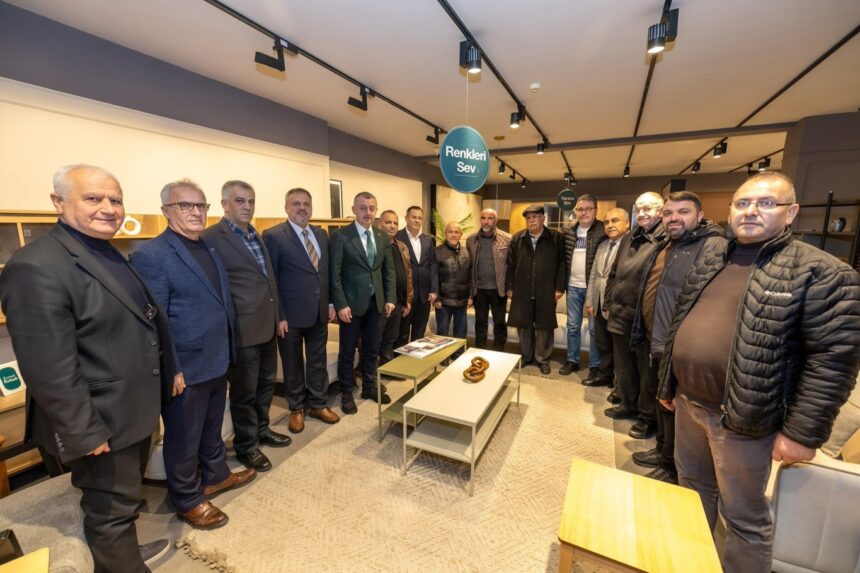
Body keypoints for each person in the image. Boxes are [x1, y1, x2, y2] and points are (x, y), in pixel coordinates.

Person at [658, 172, 859, 572]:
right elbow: (681, 322)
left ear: (791, 213)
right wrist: (669, 382)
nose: (751, 211)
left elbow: (833, 360)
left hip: (746, 421)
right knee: (692, 493)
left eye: (766, 203)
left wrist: (802, 433)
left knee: (744, 518)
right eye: (743, 203)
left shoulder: (822, 272)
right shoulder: (714, 258)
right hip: (689, 404)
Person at [0, 165, 170, 572]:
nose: (108, 208)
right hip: (100, 421)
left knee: (124, 501)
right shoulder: (36, 266)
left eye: (115, 199)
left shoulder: (106, 251)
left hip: (130, 409)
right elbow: (48, 365)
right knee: (109, 512)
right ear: (58, 202)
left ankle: (125, 554)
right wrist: (84, 431)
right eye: (93, 198)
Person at [131, 179, 255, 530]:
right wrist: (171, 367)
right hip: (185, 366)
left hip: (216, 357)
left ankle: (216, 475)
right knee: (184, 437)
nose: (196, 212)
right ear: (166, 211)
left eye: (201, 205)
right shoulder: (151, 255)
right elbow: (155, 321)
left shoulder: (208, 248)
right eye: (185, 205)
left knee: (212, 428)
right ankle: (186, 498)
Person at [629, 192, 726, 484]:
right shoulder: (668, 245)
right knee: (662, 399)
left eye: (683, 212)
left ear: (699, 216)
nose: (674, 218)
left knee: (673, 404)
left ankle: (672, 466)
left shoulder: (712, 245)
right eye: (669, 213)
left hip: (677, 343)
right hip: (655, 336)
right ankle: (663, 450)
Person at [202, 181, 291, 473]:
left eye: (251, 201)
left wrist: (278, 315)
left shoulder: (255, 234)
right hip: (241, 331)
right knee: (245, 392)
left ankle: (262, 429)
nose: (247, 206)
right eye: (240, 201)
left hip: (267, 326)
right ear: (224, 204)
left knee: (266, 385)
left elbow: (269, 279)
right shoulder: (212, 237)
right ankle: (246, 445)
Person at [263, 188, 339, 434]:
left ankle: (318, 404)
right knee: (292, 363)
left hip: (319, 312)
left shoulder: (321, 234)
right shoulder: (274, 236)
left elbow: (325, 272)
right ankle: (296, 407)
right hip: (291, 316)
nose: (302, 208)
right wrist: (280, 316)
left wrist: (330, 303)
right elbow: (272, 280)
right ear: (286, 207)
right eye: (296, 203)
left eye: (306, 203)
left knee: (318, 360)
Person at [603, 192, 667, 441]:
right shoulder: (630, 236)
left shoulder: (665, 238)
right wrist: (608, 302)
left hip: (645, 318)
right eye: (638, 209)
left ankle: (647, 417)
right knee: (624, 367)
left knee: (646, 373)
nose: (642, 213)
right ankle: (627, 404)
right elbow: (614, 273)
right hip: (620, 314)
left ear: (661, 210)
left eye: (648, 208)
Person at [330, 192, 396, 414]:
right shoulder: (341, 236)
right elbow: (335, 274)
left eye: (371, 208)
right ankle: (346, 392)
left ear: (376, 210)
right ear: (353, 210)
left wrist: (390, 298)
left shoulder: (381, 236)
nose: (367, 212)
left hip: (376, 303)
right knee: (348, 351)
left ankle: (369, 386)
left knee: (372, 348)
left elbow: (388, 270)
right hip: (350, 305)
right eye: (363, 208)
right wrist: (340, 304)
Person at [505, 204, 565, 375]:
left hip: (546, 289)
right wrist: (510, 287)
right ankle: (526, 355)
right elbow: (510, 265)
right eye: (529, 218)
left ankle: (542, 358)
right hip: (522, 289)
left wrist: (559, 288)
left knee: (544, 326)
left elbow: (562, 264)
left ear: (543, 218)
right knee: (523, 325)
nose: (532, 220)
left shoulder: (556, 237)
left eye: (536, 217)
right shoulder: (517, 238)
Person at [584, 208, 630, 394]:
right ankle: (605, 376)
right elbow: (595, 275)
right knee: (602, 343)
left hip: (618, 306)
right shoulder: (603, 245)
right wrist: (590, 301)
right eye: (606, 222)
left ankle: (620, 386)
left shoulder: (631, 246)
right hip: (598, 303)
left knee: (619, 348)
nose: (610, 225)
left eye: (615, 220)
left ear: (627, 223)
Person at [561, 195, 606, 378]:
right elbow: (563, 260)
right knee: (572, 326)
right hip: (573, 287)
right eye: (580, 209)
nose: (584, 212)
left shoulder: (603, 230)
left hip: (593, 289)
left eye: (588, 209)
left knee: (594, 329)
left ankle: (595, 364)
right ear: (575, 211)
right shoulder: (569, 231)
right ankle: (572, 360)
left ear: (595, 210)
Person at [466, 208, 511, 351]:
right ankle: (480, 348)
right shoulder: (471, 240)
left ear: (495, 220)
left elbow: (512, 266)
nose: (486, 221)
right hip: (479, 289)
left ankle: (499, 349)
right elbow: (469, 267)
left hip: (499, 289)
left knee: (499, 322)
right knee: (480, 322)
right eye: (483, 218)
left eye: (490, 218)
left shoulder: (507, 239)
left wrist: (510, 287)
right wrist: (470, 292)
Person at [396, 206, 438, 344]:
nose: (417, 220)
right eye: (414, 217)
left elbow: (433, 265)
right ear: (406, 218)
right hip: (406, 295)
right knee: (402, 333)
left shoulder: (427, 240)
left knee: (419, 333)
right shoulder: (397, 237)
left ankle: (415, 356)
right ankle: (400, 358)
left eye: (420, 218)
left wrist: (434, 289)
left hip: (424, 295)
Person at [377, 210, 413, 365]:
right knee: (375, 338)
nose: (392, 226)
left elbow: (408, 274)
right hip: (380, 302)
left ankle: (386, 368)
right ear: (380, 224)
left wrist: (408, 300)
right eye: (388, 222)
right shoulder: (375, 245)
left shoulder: (402, 246)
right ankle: (372, 372)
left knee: (391, 338)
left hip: (398, 302)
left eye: (395, 223)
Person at [434, 221, 471, 356]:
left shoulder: (467, 252)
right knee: (442, 332)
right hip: (443, 300)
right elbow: (433, 276)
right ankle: (442, 357)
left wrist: (471, 296)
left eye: (456, 232)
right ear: (445, 234)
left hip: (462, 299)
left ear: (461, 234)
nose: (453, 235)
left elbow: (471, 275)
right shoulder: (437, 251)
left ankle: (458, 355)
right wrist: (436, 298)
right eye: (450, 232)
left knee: (461, 332)